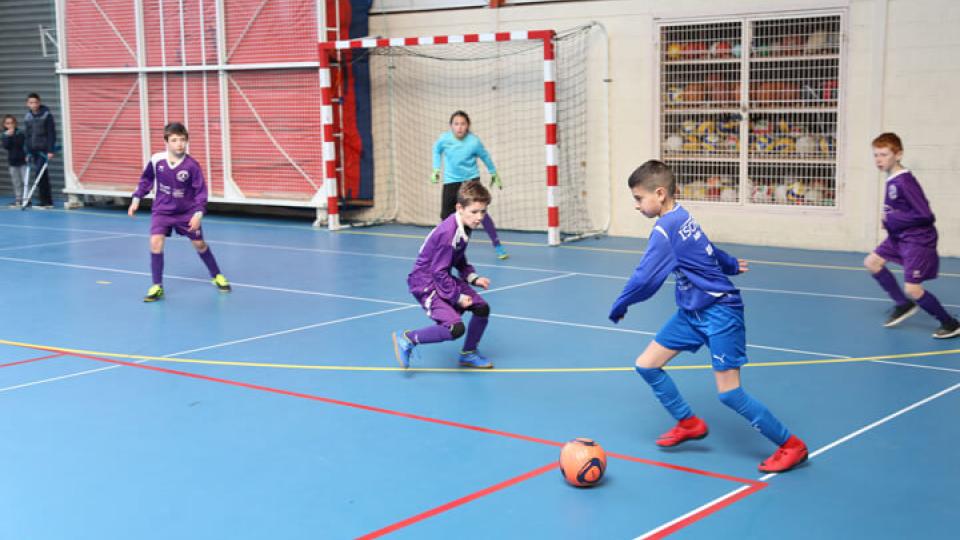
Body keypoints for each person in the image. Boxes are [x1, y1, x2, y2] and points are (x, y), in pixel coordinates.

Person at [608, 160, 807, 473]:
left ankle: (791, 445)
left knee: (729, 393)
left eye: (638, 198)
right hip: (691, 311)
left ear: (659, 194)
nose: (636, 205)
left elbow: (645, 277)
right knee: (646, 365)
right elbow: (706, 249)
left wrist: (622, 303)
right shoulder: (681, 214)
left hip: (719, 312)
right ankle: (689, 423)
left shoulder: (665, 229)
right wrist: (728, 264)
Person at [863, 133, 959, 338]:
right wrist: (890, 219)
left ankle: (950, 324)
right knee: (872, 263)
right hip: (899, 237)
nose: (879, 159)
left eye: (884, 154)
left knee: (913, 289)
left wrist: (893, 219)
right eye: (876, 155)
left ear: (898, 155)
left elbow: (925, 214)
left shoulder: (904, 181)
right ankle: (903, 305)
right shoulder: (892, 178)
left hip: (917, 239)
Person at [392, 180, 494, 369]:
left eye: (483, 211)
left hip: (440, 277)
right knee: (455, 328)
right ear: (459, 208)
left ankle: (468, 354)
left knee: (482, 308)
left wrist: (472, 277)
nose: (479, 217)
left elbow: (458, 256)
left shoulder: (465, 225)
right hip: (425, 282)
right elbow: (438, 272)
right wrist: (458, 296)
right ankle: (407, 338)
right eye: (474, 211)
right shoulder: (448, 233)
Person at [127, 122, 231, 302]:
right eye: (174, 140)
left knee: (199, 244)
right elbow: (146, 180)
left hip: (186, 212)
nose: (179, 144)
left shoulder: (192, 166)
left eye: (182, 140)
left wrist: (198, 214)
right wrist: (136, 199)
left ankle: (216, 275)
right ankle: (157, 286)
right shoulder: (157, 160)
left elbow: (201, 193)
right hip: (162, 211)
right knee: (155, 243)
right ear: (166, 142)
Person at [432, 110, 509, 260]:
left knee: (480, 213)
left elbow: (485, 156)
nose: (459, 127)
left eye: (463, 124)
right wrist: (436, 168)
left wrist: (494, 173)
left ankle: (497, 245)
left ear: (467, 126)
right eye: (456, 124)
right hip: (451, 181)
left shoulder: (474, 141)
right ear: (451, 126)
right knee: (446, 217)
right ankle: (444, 247)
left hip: (471, 181)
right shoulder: (444, 139)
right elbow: (436, 150)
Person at [23, 93, 55, 208]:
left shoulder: (47, 115)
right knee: (42, 175)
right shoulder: (27, 117)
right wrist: (27, 152)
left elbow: (51, 133)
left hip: (43, 150)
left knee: (39, 174)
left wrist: (50, 150)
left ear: (39, 102)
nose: (34, 105)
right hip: (33, 150)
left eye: (36, 102)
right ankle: (47, 201)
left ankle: (44, 200)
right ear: (27, 104)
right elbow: (27, 135)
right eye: (31, 103)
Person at [1, 115, 27, 207]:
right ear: (4, 125)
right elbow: (6, 146)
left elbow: (20, 144)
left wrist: (13, 135)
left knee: (25, 181)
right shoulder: (4, 135)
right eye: (8, 123)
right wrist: (8, 136)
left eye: (12, 123)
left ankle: (26, 199)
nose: (10, 125)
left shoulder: (20, 133)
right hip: (12, 162)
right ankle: (18, 199)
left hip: (23, 160)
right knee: (16, 182)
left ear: (15, 124)